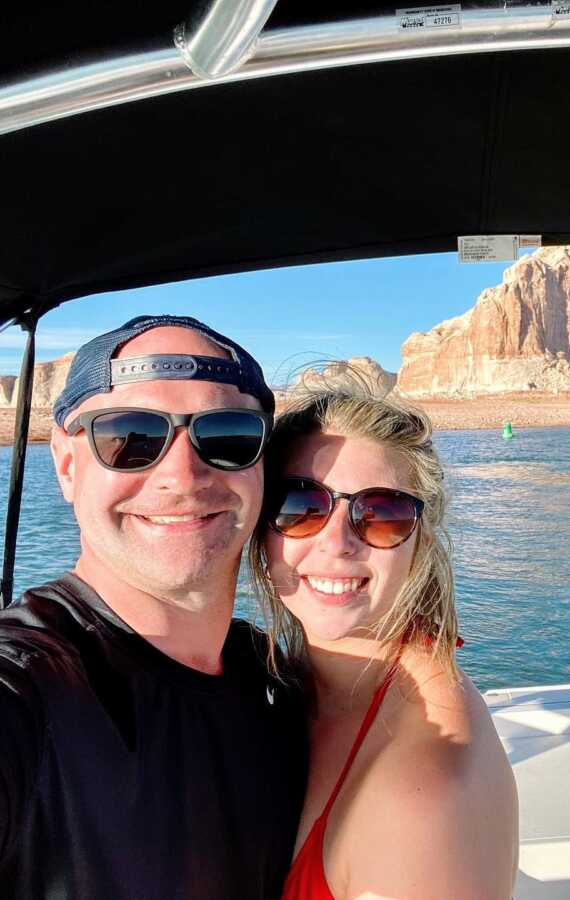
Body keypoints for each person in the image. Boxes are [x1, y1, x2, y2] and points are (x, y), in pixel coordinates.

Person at [0, 315, 309, 899]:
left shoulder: (274, 683)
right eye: (130, 438)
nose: (182, 475)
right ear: (67, 465)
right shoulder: (29, 684)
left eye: (227, 436)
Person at [250, 386, 519, 900]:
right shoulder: (312, 688)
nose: (336, 541)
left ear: (421, 538)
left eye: (380, 513)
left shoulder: (419, 796)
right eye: (299, 505)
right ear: (262, 528)